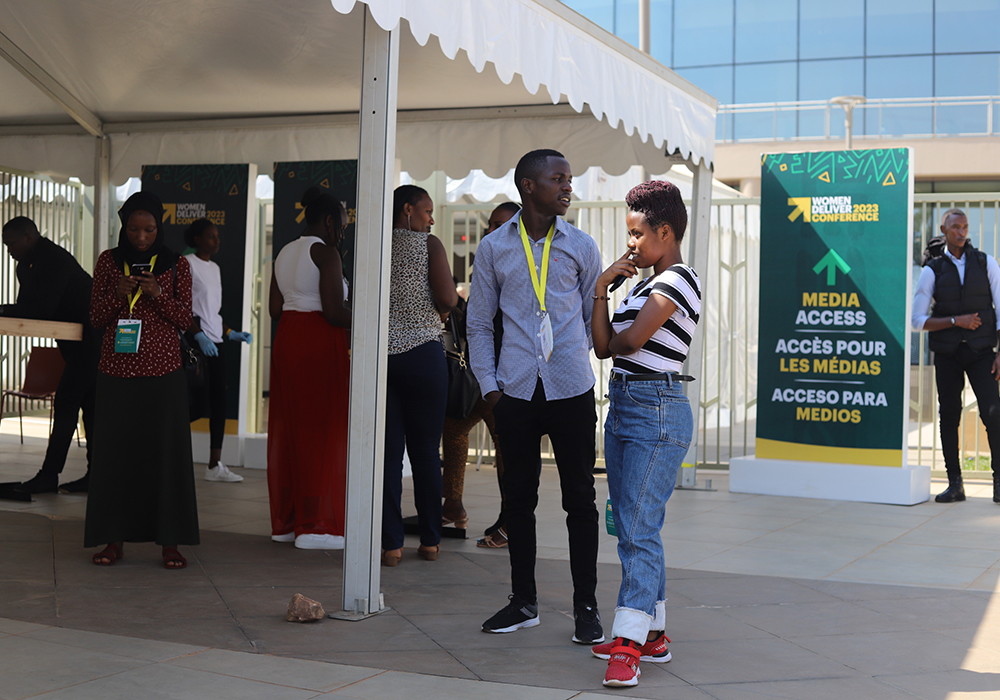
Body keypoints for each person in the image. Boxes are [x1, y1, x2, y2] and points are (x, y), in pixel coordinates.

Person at [467, 149, 604, 644]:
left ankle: (585, 606)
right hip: (516, 393)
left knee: (580, 501)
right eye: (558, 179)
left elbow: (594, 314)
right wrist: (491, 389)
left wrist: (574, 357)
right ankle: (523, 602)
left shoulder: (582, 245)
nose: (567, 187)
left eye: (569, 179)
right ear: (528, 185)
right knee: (518, 501)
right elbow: (479, 323)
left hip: (570, 389)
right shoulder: (493, 249)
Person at [589, 180, 700, 687]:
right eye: (627, 234)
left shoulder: (678, 280)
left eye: (638, 234)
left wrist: (614, 329)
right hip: (625, 406)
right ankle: (652, 635)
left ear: (665, 230)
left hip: (657, 411)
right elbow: (602, 345)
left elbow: (626, 341)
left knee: (638, 530)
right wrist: (599, 289)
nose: (630, 244)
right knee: (630, 527)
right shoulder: (638, 286)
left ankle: (629, 645)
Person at [84, 192, 199, 569]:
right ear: (124, 227)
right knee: (115, 457)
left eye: (149, 229)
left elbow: (186, 320)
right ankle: (112, 540)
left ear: (159, 228)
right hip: (116, 372)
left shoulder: (176, 264)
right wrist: (119, 295)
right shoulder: (108, 262)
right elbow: (96, 320)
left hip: (164, 373)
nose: (141, 237)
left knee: (166, 457)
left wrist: (157, 294)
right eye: (133, 229)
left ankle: (171, 543)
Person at [267, 187, 352, 550]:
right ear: (330, 220)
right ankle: (318, 526)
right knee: (323, 428)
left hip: (288, 338)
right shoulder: (325, 251)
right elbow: (334, 311)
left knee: (291, 427)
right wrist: (372, 319)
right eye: (343, 224)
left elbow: (274, 308)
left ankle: (287, 523)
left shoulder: (285, 251)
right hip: (319, 339)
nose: (343, 232)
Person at [381, 184, 457, 566]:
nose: (430, 219)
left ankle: (391, 545)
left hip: (382, 359)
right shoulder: (430, 246)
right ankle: (429, 540)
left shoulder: (373, 244)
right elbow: (447, 299)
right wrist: (443, 310)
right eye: (426, 211)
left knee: (388, 454)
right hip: (423, 355)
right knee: (426, 451)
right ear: (407, 209)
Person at [0, 217, 100, 494]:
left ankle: (49, 476)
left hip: (93, 343)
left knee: (67, 405)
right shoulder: (27, 265)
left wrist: (3, 310)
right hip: (77, 347)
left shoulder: (55, 259)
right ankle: (95, 477)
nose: (8, 250)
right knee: (89, 410)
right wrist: (8, 311)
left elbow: (42, 309)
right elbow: (27, 307)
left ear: (29, 237)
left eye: (11, 243)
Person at [441, 202, 520, 547]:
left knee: (508, 447)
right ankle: (453, 505)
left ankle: (509, 520)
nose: (492, 230)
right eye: (491, 224)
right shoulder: (487, 258)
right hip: (480, 374)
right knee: (455, 429)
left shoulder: (520, 264)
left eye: (501, 224)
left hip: (508, 375)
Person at [912, 208, 1000, 505]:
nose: (961, 232)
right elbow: (916, 320)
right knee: (949, 416)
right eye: (955, 227)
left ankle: (998, 483)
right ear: (944, 229)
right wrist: (955, 321)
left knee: (993, 413)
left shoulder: (986, 262)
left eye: (965, 227)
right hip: (948, 354)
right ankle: (955, 484)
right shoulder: (931, 269)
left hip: (981, 352)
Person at [183, 218, 252, 483]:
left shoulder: (215, 268)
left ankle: (215, 465)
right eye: (211, 236)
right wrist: (198, 335)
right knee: (198, 404)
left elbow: (212, 312)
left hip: (217, 343)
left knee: (219, 404)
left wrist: (230, 333)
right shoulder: (187, 264)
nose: (217, 240)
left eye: (217, 236)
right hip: (196, 344)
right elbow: (183, 307)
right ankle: (160, 443)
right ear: (198, 239)